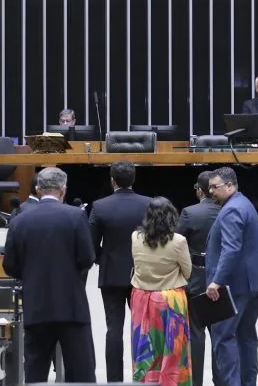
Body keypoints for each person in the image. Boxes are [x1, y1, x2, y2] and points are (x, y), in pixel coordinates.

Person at [2, 167, 96, 383]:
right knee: (81, 372)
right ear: (63, 190)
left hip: (36, 305)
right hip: (72, 306)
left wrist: (31, 275)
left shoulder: (19, 220)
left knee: (35, 372)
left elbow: (10, 265)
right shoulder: (76, 216)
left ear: (37, 189)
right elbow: (87, 258)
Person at [205, 167, 258, 386]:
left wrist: (217, 280)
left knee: (224, 338)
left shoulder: (232, 210)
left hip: (233, 286)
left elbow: (231, 249)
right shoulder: (244, 204)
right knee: (246, 338)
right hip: (251, 284)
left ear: (230, 185)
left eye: (215, 187)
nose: (211, 191)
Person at [89, 161, 151, 382]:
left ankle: (114, 380)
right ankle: (143, 376)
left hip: (111, 275)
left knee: (113, 329)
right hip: (143, 275)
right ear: (133, 179)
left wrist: (103, 258)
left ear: (112, 180)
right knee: (143, 328)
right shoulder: (149, 204)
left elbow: (91, 245)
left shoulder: (100, 206)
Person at [131, 197, 192, 386]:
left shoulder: (135, 237)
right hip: (170, 299)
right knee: (173, 350)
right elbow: (187, 271)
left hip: (141, 298)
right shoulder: (179, 241)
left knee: (144, 347)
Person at [176, 171, 222, 386]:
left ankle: (196, 382)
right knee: (220, 335)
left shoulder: (189, 212)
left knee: (195, 334)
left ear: (199, 190)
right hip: (221, 278)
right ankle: (221, 380)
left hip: (195, 278)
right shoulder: (225, 210)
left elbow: (176, 242)